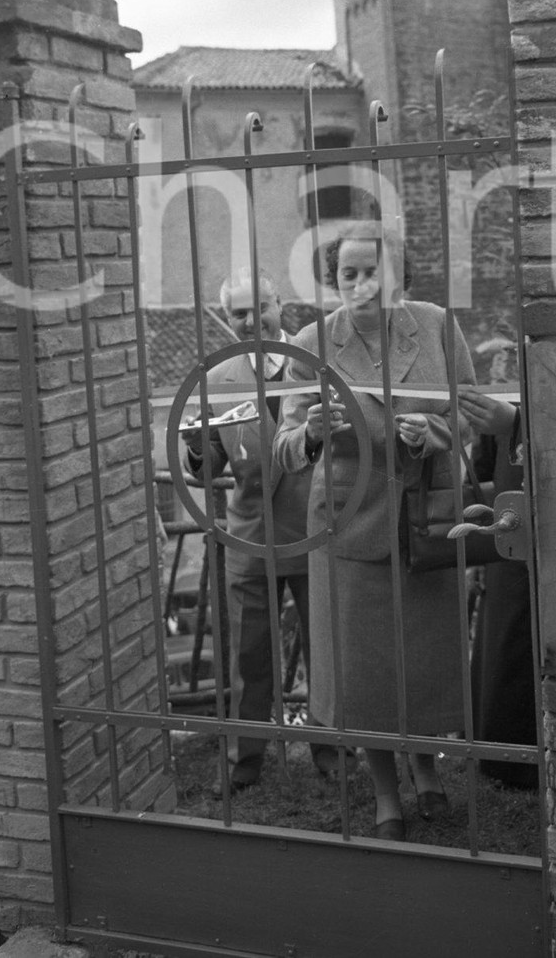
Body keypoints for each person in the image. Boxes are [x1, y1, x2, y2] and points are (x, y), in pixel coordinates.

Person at [274, 221, 475, 841]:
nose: (362, 284)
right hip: (348, 524)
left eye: (374, 272)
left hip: (425, 519)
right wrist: (310, 432)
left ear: (399, 276)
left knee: (422, 660)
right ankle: (387, 792)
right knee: (365, 673)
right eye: (349, 274)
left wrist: (435, 431)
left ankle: (426, 767)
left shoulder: (436, 325)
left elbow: (471, 410)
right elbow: (282, 446)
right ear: (333, 281)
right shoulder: (311, 342)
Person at [181, 269, 336, 790]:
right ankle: (243, 760)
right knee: (247, 656)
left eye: (259, 308)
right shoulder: (218, 377)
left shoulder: (313, 361)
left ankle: (333, 753)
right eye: (238, 313)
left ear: (279, 306)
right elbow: (208, 466)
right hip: (249, 533)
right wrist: (198, 447)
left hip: (314, 527)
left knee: (324, 647)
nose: (251, 320)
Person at [457, 386, 539, 790]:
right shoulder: (500, 394)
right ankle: (502, 757)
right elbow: (482, 479)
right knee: (505, 641)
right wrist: (478, 555)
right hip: (507, 538)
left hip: (553, 532)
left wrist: (517, 424)